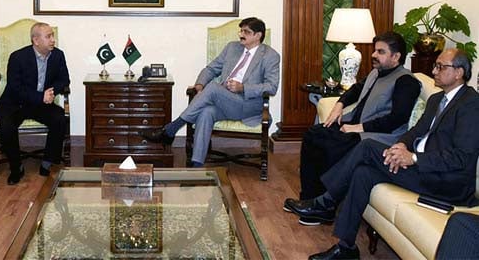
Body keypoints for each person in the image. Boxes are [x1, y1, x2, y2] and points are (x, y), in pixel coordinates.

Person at [284, 48, 479, 260]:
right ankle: (346, 247)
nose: (434, 71)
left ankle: (326, 202)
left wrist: (413, 158)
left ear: (459, 72)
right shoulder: (437, 99)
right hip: (420, 168)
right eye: (436, 65)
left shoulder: (471, 104)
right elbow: (416, 131)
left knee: (368, 147)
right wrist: (401, 146)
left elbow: (462, 157)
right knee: (363, 173)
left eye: (441, 67)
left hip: (446, 182)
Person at [289, 31, 421, 225]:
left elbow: (397, 118)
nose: (374, 55)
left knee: (332, 145)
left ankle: (325, 207)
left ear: (396, 56)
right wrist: (339, 104)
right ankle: (309, 198)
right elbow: (356, 89)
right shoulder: (376, 72)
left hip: (378, 136)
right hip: (355, 126)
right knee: (313, 135)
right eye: (375, 51)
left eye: (380, 52)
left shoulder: (406, 81)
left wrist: (358, 127)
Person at [142, 17, 280, 167]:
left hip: (248, 106)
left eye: (246, 32)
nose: (241, 34)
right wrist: (200, 85)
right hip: (225, 101)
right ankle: (196, 165)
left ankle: (171, 129)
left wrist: (243, 88)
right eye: (241, 30)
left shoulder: (270, 56)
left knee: (213, 87)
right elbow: (211, 69)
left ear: (258, 35)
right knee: (206, 112)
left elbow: (271, 87)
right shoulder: (232, 48)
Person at [0, 22, 70, 185]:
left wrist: (50, 92)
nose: (53, 40)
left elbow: (64, 79)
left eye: (52, 35)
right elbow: (15, 88)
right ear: (36, 40)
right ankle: (16, 168)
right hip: (15, 103)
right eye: (48, 36)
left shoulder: (58, 55)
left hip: (41, 104)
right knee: (7, 126)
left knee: (59, 118)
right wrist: (40, 96)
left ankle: (47, 162)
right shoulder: (17, 57)